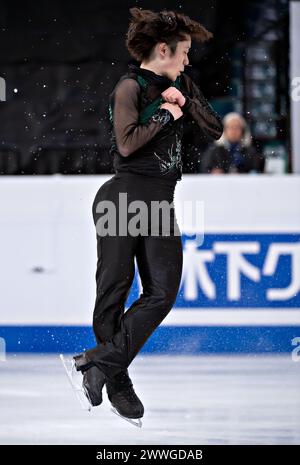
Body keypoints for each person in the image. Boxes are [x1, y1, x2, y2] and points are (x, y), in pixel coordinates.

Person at [71, 7, 223, 424]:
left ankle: (99, 362)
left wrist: (186, 99)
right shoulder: (129, 86)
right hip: (122, 199)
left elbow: (214, 128)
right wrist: (165, 111)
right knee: (114, 292)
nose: (188, 60)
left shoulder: (184, 84)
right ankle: (115, 379)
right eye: (185, 52)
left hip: (159, 204)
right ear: (163, 49)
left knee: (163, 292)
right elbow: (126, 144)